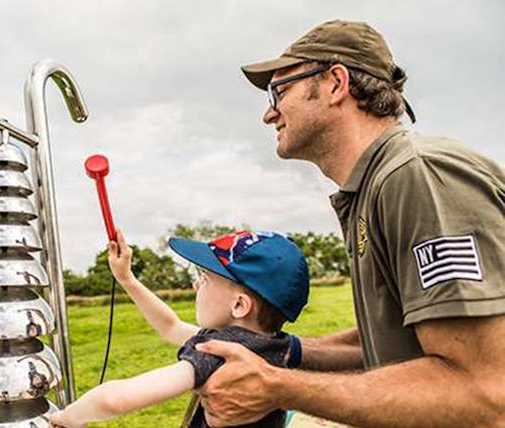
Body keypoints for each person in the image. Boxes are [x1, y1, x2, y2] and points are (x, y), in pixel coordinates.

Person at [192, 19, 505, 427]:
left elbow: (484, 388)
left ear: (336, 83)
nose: (270, 114)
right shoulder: (374, 188)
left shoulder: (415, 177)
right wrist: (282, 351)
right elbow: (398, 340)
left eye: (279, 91)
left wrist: (278, 386)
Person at [48, 229, 310, 427]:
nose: (196, 286)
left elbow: (114, 400)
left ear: (240, 306)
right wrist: (127, 279)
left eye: (205, 280)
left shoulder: (217, 353)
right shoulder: (278, 346)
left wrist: (65, 418)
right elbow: (170, 326)